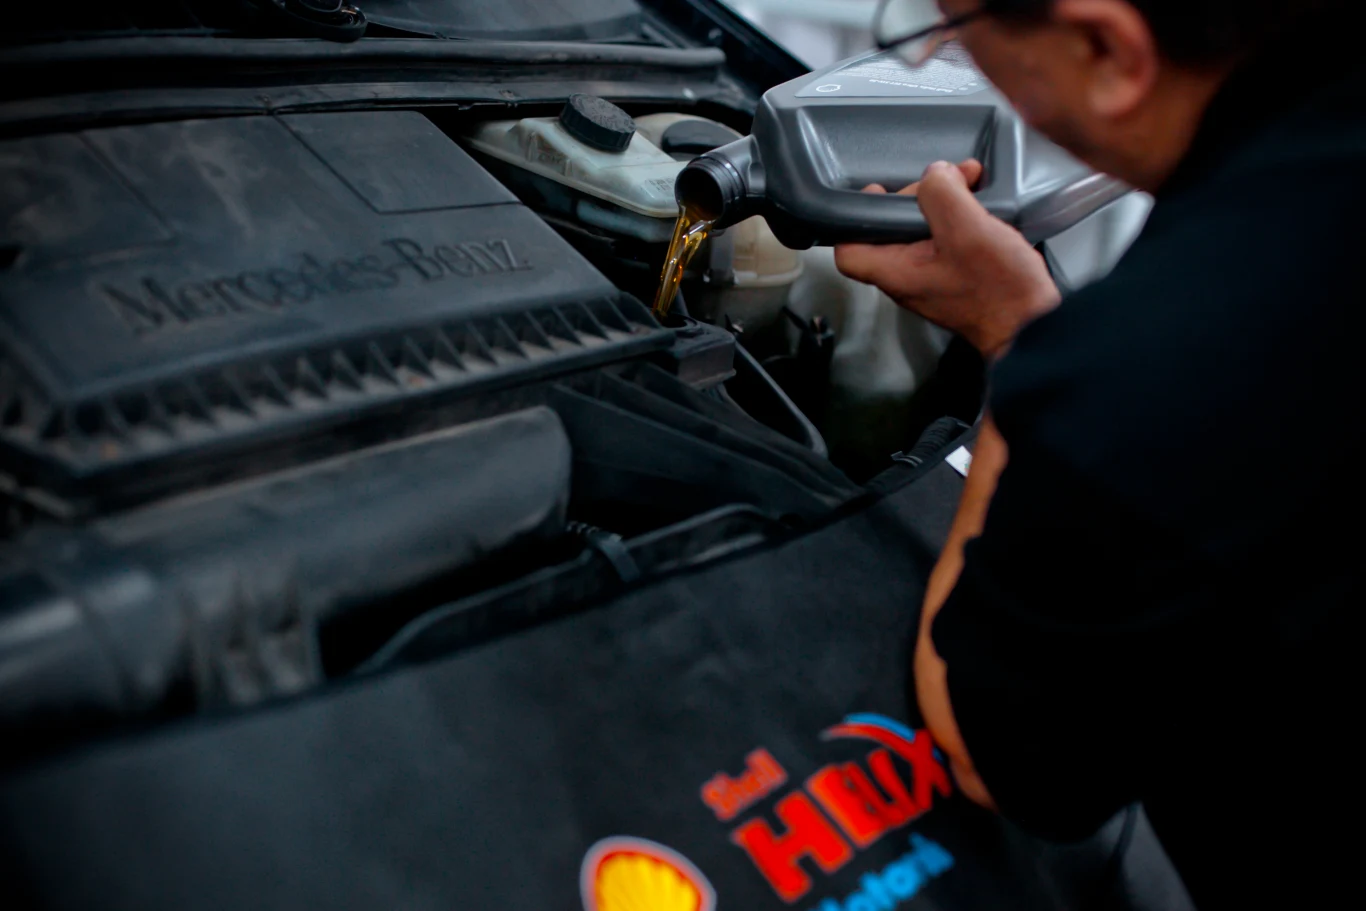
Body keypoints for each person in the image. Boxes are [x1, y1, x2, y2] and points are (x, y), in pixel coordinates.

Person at [834, 1, 1361, 907]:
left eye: (956, 33)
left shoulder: (1155, 380)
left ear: (1108, 50)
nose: (943, 56)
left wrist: (1021, 339)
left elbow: (999, 749)